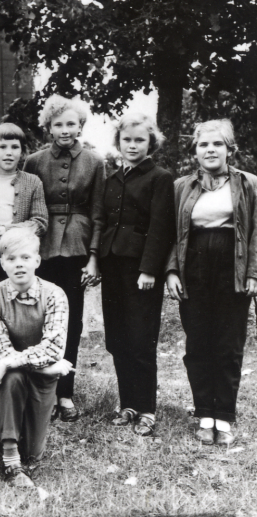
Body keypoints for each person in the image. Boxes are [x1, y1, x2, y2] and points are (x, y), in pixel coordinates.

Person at [166, 119, 257, 446]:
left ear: (230, 149)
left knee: (229, 344)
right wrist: (172, 271)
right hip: (194, 269)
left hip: (233, 268)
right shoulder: (181, 187)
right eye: (203, 144)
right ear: (195, 150)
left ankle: (225, 417)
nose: (210, 150)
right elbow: (171, 233)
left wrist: (253, 272)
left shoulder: (249, 183)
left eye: (217, 144)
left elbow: (256, 231)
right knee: (198, 343)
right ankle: (205, 413)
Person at [22, 94, 105, 421]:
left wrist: (94, 257)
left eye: (72, 123)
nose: (66, 130)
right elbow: (25, 204)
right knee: (37, 318)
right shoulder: (34, 161)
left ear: (80, 126)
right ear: (49, 127)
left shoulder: (95, 162)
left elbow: (98, 213)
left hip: (76, 247)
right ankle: (39, 390)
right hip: (41, 248)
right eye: (59, 124)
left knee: (70, 320)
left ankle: (65, 393)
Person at [99, 113, 175, 437]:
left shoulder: (160, 177)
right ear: (119, 142)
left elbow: (161, 227)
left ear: (150, 143)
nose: (132, 145)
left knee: (141, 339)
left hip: (141, 270)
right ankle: (128, 404)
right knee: (117, 339)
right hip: (112, 266)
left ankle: (146, 409)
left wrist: (149, 269)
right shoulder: (113, 178)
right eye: (127, 139)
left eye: (139, 140)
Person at [0, 228, 72, 488]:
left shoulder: (54, 294)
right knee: (11, 377)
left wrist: (8, 363)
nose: (19, 264)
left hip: (41, 378)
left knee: (33, 452)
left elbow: (53, 348)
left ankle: (10, 422)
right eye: (11, 259)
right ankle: (10, 458)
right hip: (19, 375)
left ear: (37, 260)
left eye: (25, 257)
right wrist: (43, 367)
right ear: (2, 263)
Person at [0, 123, 48, 367]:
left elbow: (40, 221)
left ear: (22, 151)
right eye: (2, 147)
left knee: (17, 310)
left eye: (14, 147)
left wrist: (9, 230)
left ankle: (20, 367)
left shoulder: (32, 181)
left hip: (17, 255)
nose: (8, 152)